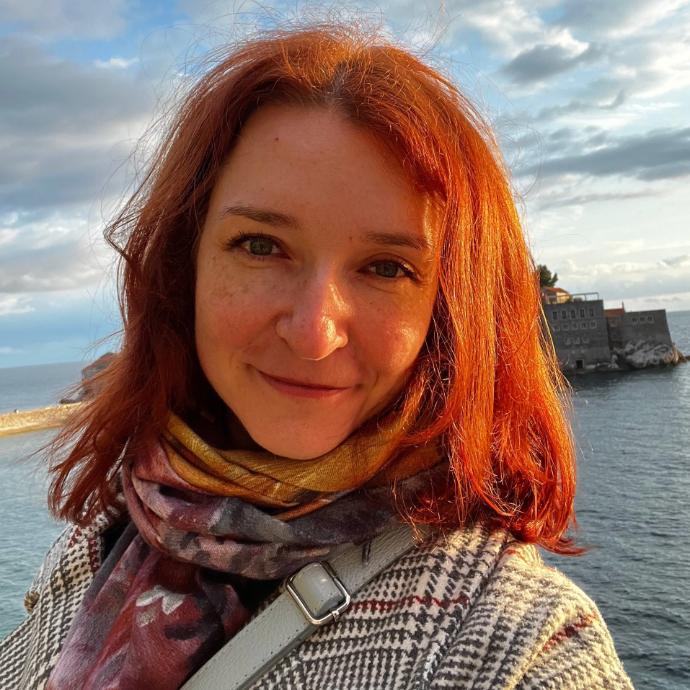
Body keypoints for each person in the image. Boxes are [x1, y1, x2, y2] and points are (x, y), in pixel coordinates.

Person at [0, 23, 634, 690]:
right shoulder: (104, 532)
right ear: (185, 266)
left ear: (449, 311)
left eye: (386, 267)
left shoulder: (518, 646)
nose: (313, 334)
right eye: (261, 246)